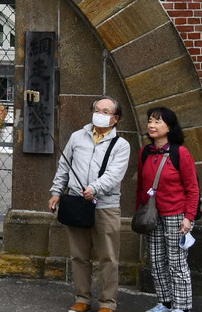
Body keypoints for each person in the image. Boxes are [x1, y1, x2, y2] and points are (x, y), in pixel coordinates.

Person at [49, 96, 131, 312]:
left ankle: (108, 303)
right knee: (79, 255)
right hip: (77, 203)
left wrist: (94, 188)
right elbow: (63, 166)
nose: (99, 114)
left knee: (108, 257)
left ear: (115, 118)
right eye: (97, 109)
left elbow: (115, 175)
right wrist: (57, 192)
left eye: (105, 111)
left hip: (106, 207)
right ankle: (82, 299)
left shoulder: (121, 145)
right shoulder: (77, 137)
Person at [137, 107, 199, 312]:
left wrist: (189, 217)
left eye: (158, 122)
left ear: (169, 127)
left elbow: (192, 188)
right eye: (150, 121)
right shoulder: (146, 151)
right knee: (156, 260)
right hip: (152, 215)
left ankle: (181, 307)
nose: (151, 125)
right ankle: (165, 302)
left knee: (176, 262)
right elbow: (140, 186)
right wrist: (140, 211)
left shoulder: (180, 152)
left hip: (176, 214)